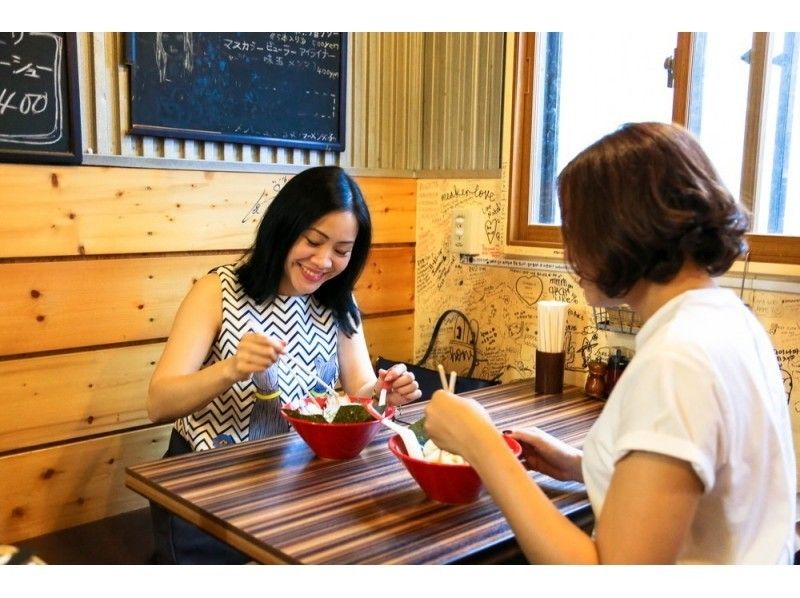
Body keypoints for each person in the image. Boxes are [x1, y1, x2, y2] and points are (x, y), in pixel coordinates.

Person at [424, 122, 797, 564]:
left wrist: (482, 447)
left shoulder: (678, 357)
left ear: (619, 231)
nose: (570, 253)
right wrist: (583, 465)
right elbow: (701, 485)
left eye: (575, 231)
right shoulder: (728, 319)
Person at [146, 165, 421, 564]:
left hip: (293, 483)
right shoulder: (217, 291)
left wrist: (385, 393)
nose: (324, 261)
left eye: (342, 251)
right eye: (313, 240)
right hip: (206, 486)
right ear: (284, 228)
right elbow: (158, 403)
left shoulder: (338, 302)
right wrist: (231, 368)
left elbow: (361, 390)